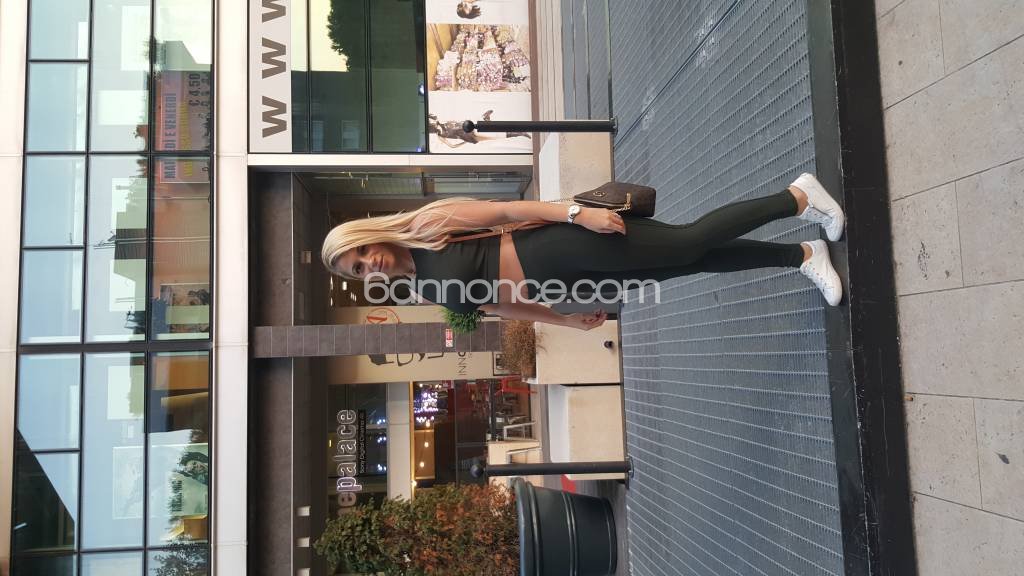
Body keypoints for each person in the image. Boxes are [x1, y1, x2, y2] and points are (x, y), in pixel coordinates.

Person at [321, 174, 845, 330]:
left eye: (361, 252)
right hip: (570, 285)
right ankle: (802, 256)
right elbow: (502, 306)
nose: (370, 265)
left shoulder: (427, 226)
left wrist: (577, 214)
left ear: (369, 234)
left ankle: (797, 197)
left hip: (562, 243)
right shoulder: (422, 289)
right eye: (359, 270)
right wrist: (565, 321)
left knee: (688, 241)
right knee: (694, 262)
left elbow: (506, 210)